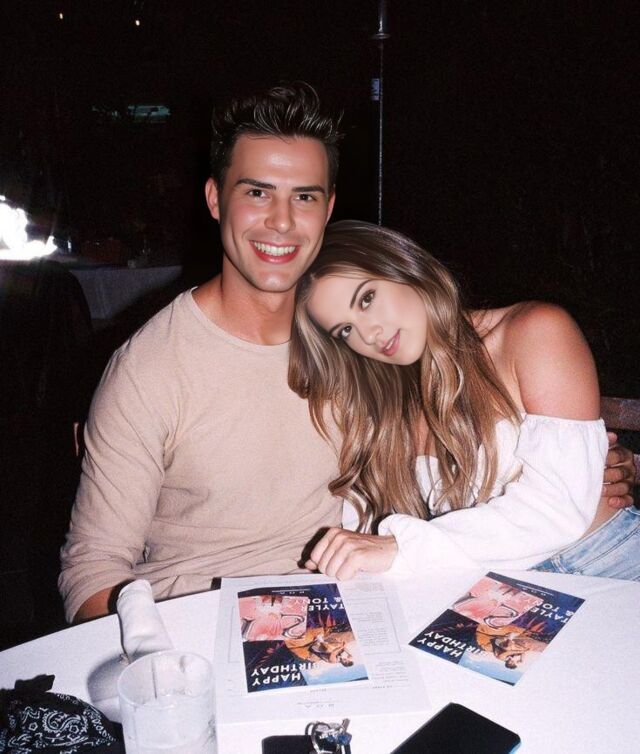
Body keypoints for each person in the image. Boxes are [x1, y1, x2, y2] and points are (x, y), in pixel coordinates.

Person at [59, 84, 636, 624]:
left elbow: (486, 483)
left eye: (304, 196)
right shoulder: (153, 367)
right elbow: (92, 571)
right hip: (211, 617)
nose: (281, 220)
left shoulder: (359, 359)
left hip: (373, 603)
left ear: (328, 207)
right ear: (215, 198)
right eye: (257, 192)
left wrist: (583, 465)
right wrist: (164, 658)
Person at [289, 220, 640, 580]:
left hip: (607, 561)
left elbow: (558, 507)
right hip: (488, 585)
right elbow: (361, 534)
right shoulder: (378, 409)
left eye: (367, 299)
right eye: (345, 330)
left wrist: (401, 547)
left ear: (404, 267)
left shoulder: (533, 331)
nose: (369, 333)